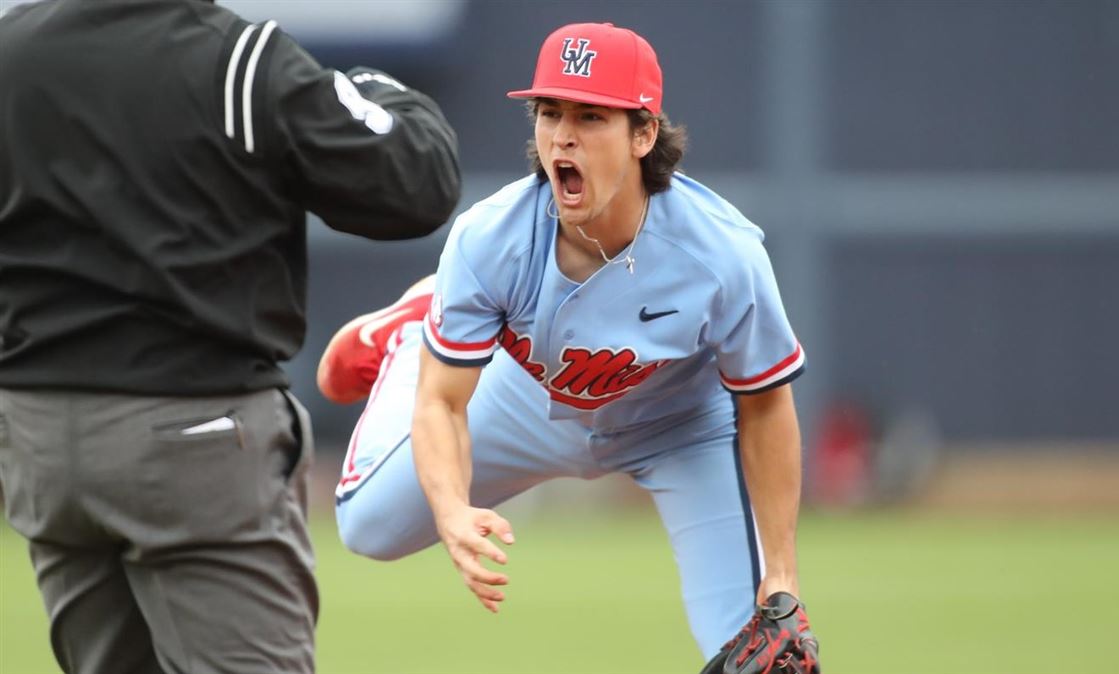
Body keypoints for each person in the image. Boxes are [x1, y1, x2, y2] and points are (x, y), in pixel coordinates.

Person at [321, 22, 819, 672]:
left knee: (762, 651)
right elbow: (442, 406)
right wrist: (450, 509)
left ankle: (445, 319)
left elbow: (765, 404)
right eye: (549, 112)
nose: (563, 134)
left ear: (643, 134)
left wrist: (782, 573)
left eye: (590, 115)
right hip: (518, 396)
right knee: (366, 527)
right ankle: (426, 328)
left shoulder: (723, 253)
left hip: (678, 426)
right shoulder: (492, 236)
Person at [0, 0, 460, 671]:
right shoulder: (240, 61)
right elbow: (417, 181)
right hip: (192, 429)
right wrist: (377, 89)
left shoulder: (13, 48)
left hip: (41, 437)